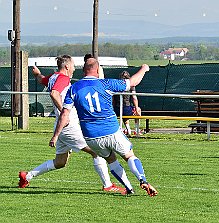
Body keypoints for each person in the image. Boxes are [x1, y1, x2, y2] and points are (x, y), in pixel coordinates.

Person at [49, 58, 158, 196]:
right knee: (129, 155)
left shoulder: (74, 88)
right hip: (111, 130)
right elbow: (133, 82)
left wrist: (56, 135)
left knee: (111, 160)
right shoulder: (105, 83)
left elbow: (64, 114)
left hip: (91, 136)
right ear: (97, 70)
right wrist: (144, 68)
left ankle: (129, 188)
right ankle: (142, 180)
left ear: (84, 71)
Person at [18, 55, 125, 194]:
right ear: (67, 66)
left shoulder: (53, 77)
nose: (74, 69)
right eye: (73, 65)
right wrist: (64, 111)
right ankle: (108, 186)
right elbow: (54, 93)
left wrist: (37, 73)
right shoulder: (63, 78)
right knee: (97, 152)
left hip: (61, 125)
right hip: (69, 125)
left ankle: (27, 176)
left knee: (60, 162)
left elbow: (41, 80)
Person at [113, 71, 142, 136]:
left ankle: (128, 130)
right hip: (125, 108)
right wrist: (136, 108)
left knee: (123, 112)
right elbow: (134, 97)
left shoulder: (116, 85)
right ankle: (137, 130)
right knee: (138, 110)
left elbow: (113, 100)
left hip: (117, 109)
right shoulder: (131, 85)